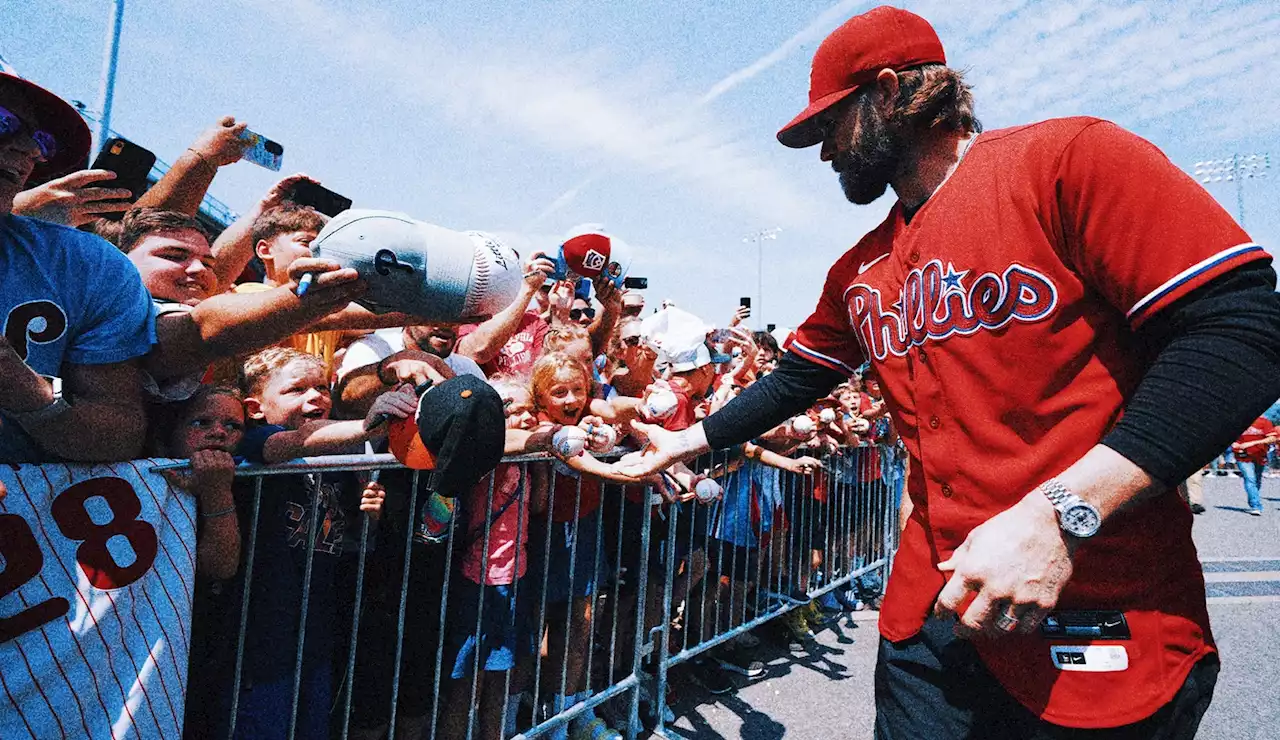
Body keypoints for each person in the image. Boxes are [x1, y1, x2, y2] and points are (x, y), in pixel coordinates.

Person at [611, 6, 1280, 737]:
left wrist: (1063, 511)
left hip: (1096, 607)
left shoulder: (1067, 161)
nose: (823, 150)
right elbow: (798, 376)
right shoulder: (859, 269)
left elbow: (1243, 327)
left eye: (830, 125)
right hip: (928, 621)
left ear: (890, 93)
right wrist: (687, 442)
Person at [222, 348, 406, 739]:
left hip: (317, 626)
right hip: (259, 632)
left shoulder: (334, 458)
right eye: (296, 389)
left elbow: (348, 534)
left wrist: (369, 512)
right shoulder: (254, 440)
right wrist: (368, 425)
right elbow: (298, 440)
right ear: (255, 407)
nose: (316, 397)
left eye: (322, 387)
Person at [0, 69, 155, 463]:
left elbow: (118, 432)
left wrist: (24, 390)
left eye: (41, 141)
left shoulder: (88, 265)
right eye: (4, 121)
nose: (29, 150)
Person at [338, 322, 486, 383]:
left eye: (455, 316)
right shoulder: (372, 348)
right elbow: (345, 404)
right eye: (436, 313)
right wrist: (387, 371)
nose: (446, 323)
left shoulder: (467, 368)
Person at [1230, 416, 1276, 516]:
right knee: (1250, 479)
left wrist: (1251, 443)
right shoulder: (1237, 421)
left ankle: (1253, 498)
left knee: (1257, 480)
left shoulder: (1264, 422)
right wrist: (1233, 444)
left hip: (1260, 455)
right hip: (1242, 456)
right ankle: (1256, 506)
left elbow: (1272, 438)